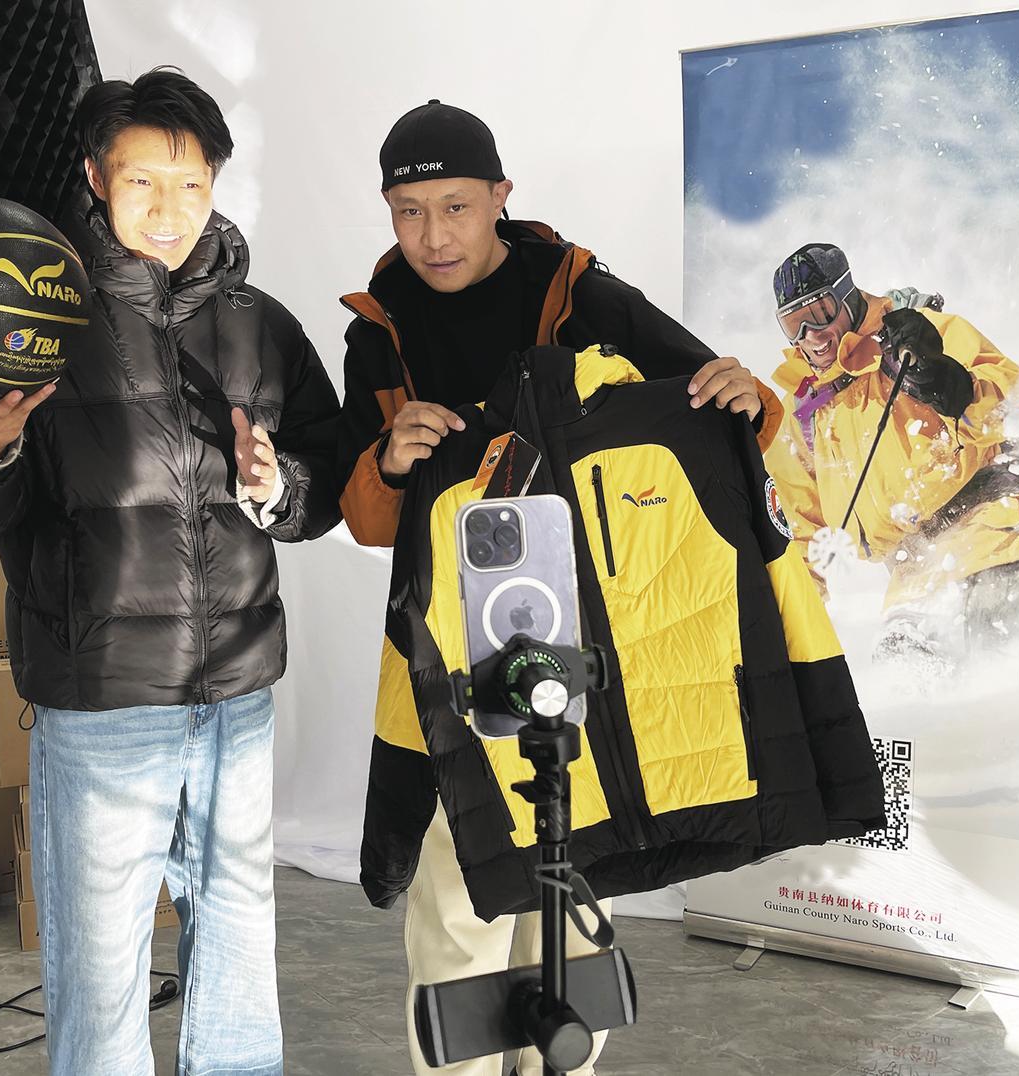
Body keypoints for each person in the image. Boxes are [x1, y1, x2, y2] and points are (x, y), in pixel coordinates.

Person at [0, 68, 340, 1076]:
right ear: (96, 178)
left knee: (240, 947)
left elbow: (329, 484)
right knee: (100, 971)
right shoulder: (25, 312)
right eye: (143, 182)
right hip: (103, 704)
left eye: (192, 185)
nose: (170, 210)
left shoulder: (261, 323)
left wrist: (282, 483)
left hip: (238, 694)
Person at [335, 99, 784, 1076]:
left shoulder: (579, 295)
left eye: (456, 207)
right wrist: (391, 460)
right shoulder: (377, 331)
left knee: (572, 882)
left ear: (501, 196)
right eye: (409, 211)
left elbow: (712, 404)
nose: (433, 235)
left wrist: (751, 400)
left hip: (585, 632)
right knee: (461, 888)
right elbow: (365, 519)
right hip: (449, 642)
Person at [761, 242, 1019, 668]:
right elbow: (799, 534)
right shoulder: (805, 410)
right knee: (904, 671)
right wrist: (786, 628)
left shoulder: (913, 337)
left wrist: (949, 384)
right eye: (794, 324)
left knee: (985, 665)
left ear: (847, 296)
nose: (810, 335)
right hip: (916, 571)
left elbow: (1015, 400)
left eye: (821, 312)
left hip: (997, 530)